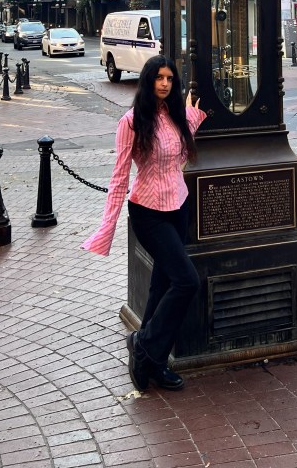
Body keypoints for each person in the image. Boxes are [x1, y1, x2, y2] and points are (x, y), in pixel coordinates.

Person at [82, 55, 206, 393]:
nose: (165, 84)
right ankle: (143, 344)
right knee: (186, 281)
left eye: (170, 78)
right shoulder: (132, 122)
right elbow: (120, 176)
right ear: (147, 80)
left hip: (178, 206)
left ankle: (154, 362)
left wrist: (191, 117)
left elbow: (178, 154)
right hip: (148, 212)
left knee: (162, 286)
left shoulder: (176, 116)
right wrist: (106, 228)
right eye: (159, 78)